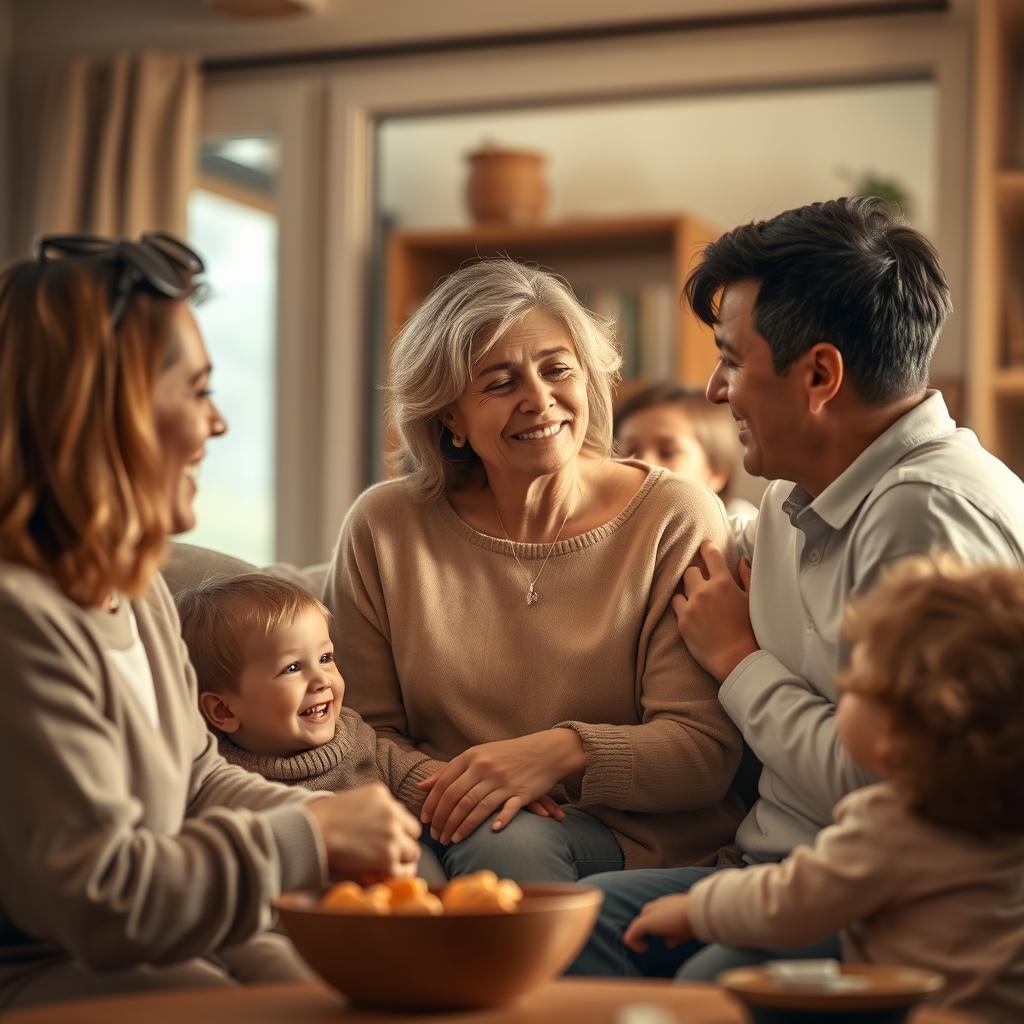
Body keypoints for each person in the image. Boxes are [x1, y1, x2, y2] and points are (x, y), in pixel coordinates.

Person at [569, 196, 1024, 979]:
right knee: (562, 927)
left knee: (711, 976)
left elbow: (902, 788)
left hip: (897, 900)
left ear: (819, 375)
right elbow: (677, 551)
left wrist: (740, 662)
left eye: (732, 360)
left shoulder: (931, 518)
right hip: (770, 868)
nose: (715, 390)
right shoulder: (794, 491)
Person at [0, 234, 421, 1010]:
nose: (217, 423)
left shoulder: (138, 590)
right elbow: (103, 898)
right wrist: (310, 842)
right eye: (195, 391)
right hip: (43, 968)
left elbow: (196, 780)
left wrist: (324, 818)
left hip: (148, 947)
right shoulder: (20, 620)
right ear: (103, 408)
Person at [325, 258, 745, 884]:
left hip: (627, 835)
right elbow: (354, 727)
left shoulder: (673, 516)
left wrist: (556, 754)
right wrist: (465, 790)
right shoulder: (384, 526)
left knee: (507, 849)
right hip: (436, 814)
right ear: (449, 418)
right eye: (499, 383)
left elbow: (700, 751)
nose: (539, 399)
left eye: (557, 370)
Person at [623, 555, 1024, 1023]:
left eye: (853, 685)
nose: (840, 690)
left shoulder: (892, 826)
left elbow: (790, 903)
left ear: (904, 724)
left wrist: (695, 909)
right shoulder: (1003, 815)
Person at [176, 573, 446, 882]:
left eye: (325, 658)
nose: (321, 680)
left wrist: (464, 787)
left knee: (419, 860)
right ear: (223, 710)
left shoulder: (358, 739)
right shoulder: (219, 785)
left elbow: (421, 780)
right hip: (306, 919)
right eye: (292, 668)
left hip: (403, 904)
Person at [614, 382, 756, 524]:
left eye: (667, 453)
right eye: (630, 451)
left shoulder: (742, 529)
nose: (643, 462)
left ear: (716, 472)